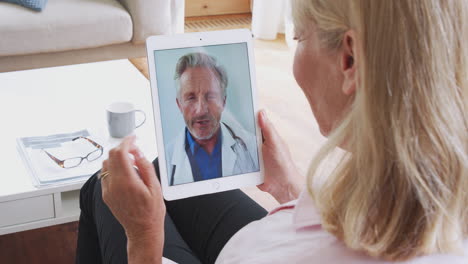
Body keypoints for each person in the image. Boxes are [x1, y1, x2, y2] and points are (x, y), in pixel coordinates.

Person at [76, 0, 468, 263]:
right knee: (161, 173)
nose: (199, 108)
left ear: (349, 58)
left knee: (102, 186)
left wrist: (143, 240)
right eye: (189, 97)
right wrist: (290, 189)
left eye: (298, 37)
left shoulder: (268, 251)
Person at [167, 52, 258, 185]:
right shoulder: (165, 162)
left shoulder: (252, 148)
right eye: (191, 97)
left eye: (210, 96)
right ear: (179, 105)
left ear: (223, 102)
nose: (201, 110)